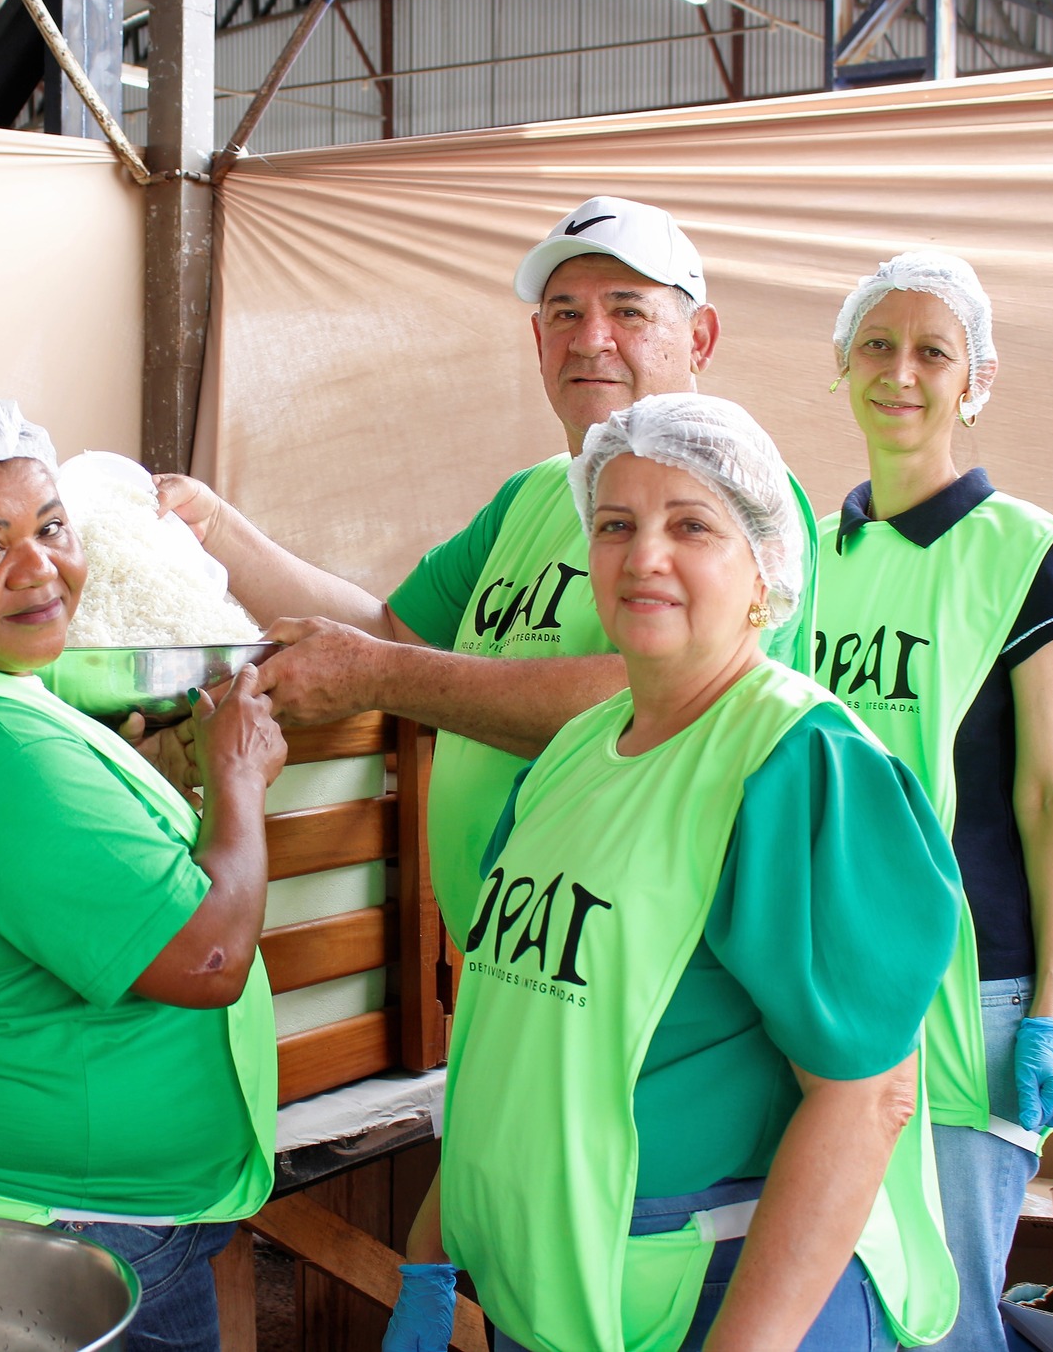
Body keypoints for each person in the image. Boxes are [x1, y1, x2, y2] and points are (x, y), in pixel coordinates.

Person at [388, 394, 961, 1352]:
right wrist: (431, 1245)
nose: (643, 555)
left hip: (713, 1297)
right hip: (559, 1293)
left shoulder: (796, 763)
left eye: (691, 526)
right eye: (615, 525)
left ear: (765, 570)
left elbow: (868, 1097)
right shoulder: (573, 754)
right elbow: (518, 1025)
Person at [155, 196, 818, 936]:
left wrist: (380, 675)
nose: (590, 339)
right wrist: (215, 528)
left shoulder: (743, 498)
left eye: (628, 311)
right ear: (537, 338)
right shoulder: (530, 496)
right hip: (507, 956)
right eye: (565, 313)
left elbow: (662, 700)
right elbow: (393, 630)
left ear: (700, 338)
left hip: (645, 960)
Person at [0, 373, 284, 1352]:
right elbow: (206, 960)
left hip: (2, 1214)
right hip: (63, 1243)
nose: (41, 569)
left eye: (52, 527)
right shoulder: (2, 749)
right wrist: (237, 780)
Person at [816, 252, 1053, 1351]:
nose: (900, 373)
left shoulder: (1021, 552)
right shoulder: (802, 558)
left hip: (970, 998)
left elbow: (1048, 792)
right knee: (842, 1303)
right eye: (876, 347)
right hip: (823, 982)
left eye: (932, 351)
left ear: (975, 381)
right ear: (840, 366)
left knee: (945, 1316)